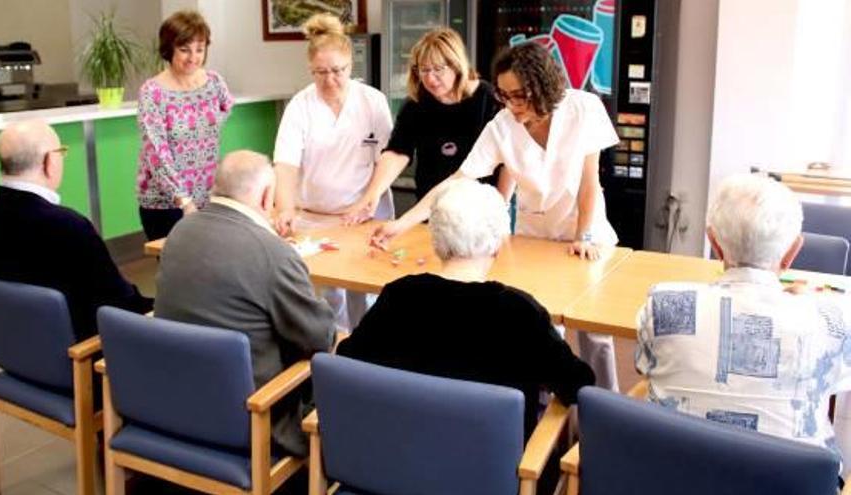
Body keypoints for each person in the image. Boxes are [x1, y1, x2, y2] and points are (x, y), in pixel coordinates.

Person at [370, 42, 621, 389]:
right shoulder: (502, 125)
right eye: (504, 95)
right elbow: (457, 180)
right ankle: (545, 409)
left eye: (519, 95)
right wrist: (401, 223)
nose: (511, 105)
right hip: (536, 233)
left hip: (586, 228)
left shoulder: (584, 108)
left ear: (542, 86)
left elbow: (590, 181)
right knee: (545, 323)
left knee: (595, 330)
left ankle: (604, 403)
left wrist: (584, 235)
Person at [338, 179, 594, 494]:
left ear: (436, 240)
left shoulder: (398, 296)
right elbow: (579, 384)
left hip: (391, 470)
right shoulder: (520, 313)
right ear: (499, 241)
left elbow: (348, 362)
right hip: (485, 481)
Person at [637, 174, 851, 475]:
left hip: (677, 479)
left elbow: (644, 368)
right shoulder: (830, 323)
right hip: (788, 484)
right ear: (792, 253)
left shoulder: (662, 305)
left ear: (714, 243)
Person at [155, 150, 336, 457]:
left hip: (171, 398)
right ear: (267, 197)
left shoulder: (179, 232)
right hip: (251, 415)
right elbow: (321, 337)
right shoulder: (271, 252)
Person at [0, 120, 153, 341]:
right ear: (48, 161)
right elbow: (120, 303)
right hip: (80, 356)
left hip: (16, 347)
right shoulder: (67, 225)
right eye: (61, 152)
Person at [273, 13, 392, 330]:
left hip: (366, 213)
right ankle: (334, 361)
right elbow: (285, 163)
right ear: (310, 70)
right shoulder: (300, 105)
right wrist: (283, 207)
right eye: (320, 73)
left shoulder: (372, 102)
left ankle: (368, 357)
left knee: (366, 293)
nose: (330, 80)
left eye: (338, 71)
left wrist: (368, 199)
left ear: (351, 66)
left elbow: (388, 159)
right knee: (328, 297)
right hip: (316, 215)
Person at [343, 27, 503, 224]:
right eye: (424, 70)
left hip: (482, 212)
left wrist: (502, 207)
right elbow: (397, 151)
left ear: (456, 65)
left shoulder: (490, 100)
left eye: (438, 69)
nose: (430, 78)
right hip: (429, 209)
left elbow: (507, 162)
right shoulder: (416, 105)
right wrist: (372, 193)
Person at [136, 10, 233, 241]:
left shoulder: (214, 83)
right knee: (176, 269)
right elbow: (156, 152)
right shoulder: (152, 92)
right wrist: (184, 201)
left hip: (207, 196)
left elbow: (226, 107)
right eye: (184, 49)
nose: (193, 57)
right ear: (169, 49)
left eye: (200, 49)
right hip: (166, 203)